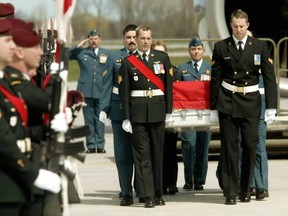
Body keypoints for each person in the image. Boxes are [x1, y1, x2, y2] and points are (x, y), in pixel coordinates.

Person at [210, 9, 277, 205]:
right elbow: (216, 79)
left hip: (251, 102)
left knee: (249, 146)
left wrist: (271, 107)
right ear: (231, 26)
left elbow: (269, 78)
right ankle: (231, 191)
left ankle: (246, 189)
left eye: (242, 26)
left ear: (247, 25)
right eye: (235, 26)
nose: (239, 30)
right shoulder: (221, 47)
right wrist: (213, 107)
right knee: (229, 148)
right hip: (228, 101)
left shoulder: (259, 46)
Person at [0, 18, 61, 216]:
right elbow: (4, 140)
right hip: (7, 183)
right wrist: (32, 173)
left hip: (15, 182)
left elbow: (14, 130)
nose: (13, 46)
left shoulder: (5, 83)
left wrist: (44, 131)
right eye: (7, 41)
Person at [118, 25, 173, 208]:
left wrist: (169, 112)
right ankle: (147, 195)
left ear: (151, 39)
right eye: (142, 38)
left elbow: (168, 87)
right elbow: (124, 92)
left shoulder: (162, 58)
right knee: (143, 156)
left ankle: (158, 193)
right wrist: (126, 117)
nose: (145, 41)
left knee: (158, 154)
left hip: (157, 112)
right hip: (138, 114)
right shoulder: (128, 62)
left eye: (148, 38)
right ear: (137, 38)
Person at [99, 24, 137, 206]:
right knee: (122, 153)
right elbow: (106, 85)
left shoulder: (146, 57)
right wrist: (103, 108)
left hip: (140, 110)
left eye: (134, 37)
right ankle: (126, 191)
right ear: (123, 38)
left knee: (140, 152)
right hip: (118, 110)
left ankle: (141, 187)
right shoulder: (115, 58)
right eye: (128, 37)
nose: (132, 40)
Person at [178, 36, 212, 191]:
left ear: (203, 50)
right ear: (189, 51)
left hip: (204, 114)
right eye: (193, 49)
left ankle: (199, 180)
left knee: (202, 146)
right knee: (188, 146)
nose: (196, 52)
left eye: (199, 49)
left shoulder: (209, 68)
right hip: (188, 115)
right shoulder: (182, 68)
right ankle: (188, 179)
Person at [69, 29, 111, 153]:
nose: (94, 41)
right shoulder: (81, 52)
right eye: (91, 38)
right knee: (88, 120)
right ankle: (91, 146)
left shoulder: (106, 53)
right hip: (85, 91)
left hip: (101, 90)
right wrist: (77, 47)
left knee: (100, 119)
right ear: (88, 39)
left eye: (96, 38)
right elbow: (65, 56)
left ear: (100, 39)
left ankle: (101, 145)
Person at [151, 39, 179, 195]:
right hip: (155, 116)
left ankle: (172, 182)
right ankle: (159, 184)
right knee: (157, 152)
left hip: (171, 117)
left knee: (171, 152)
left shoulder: (174, 71)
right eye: (157, 52)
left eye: (163, 52)